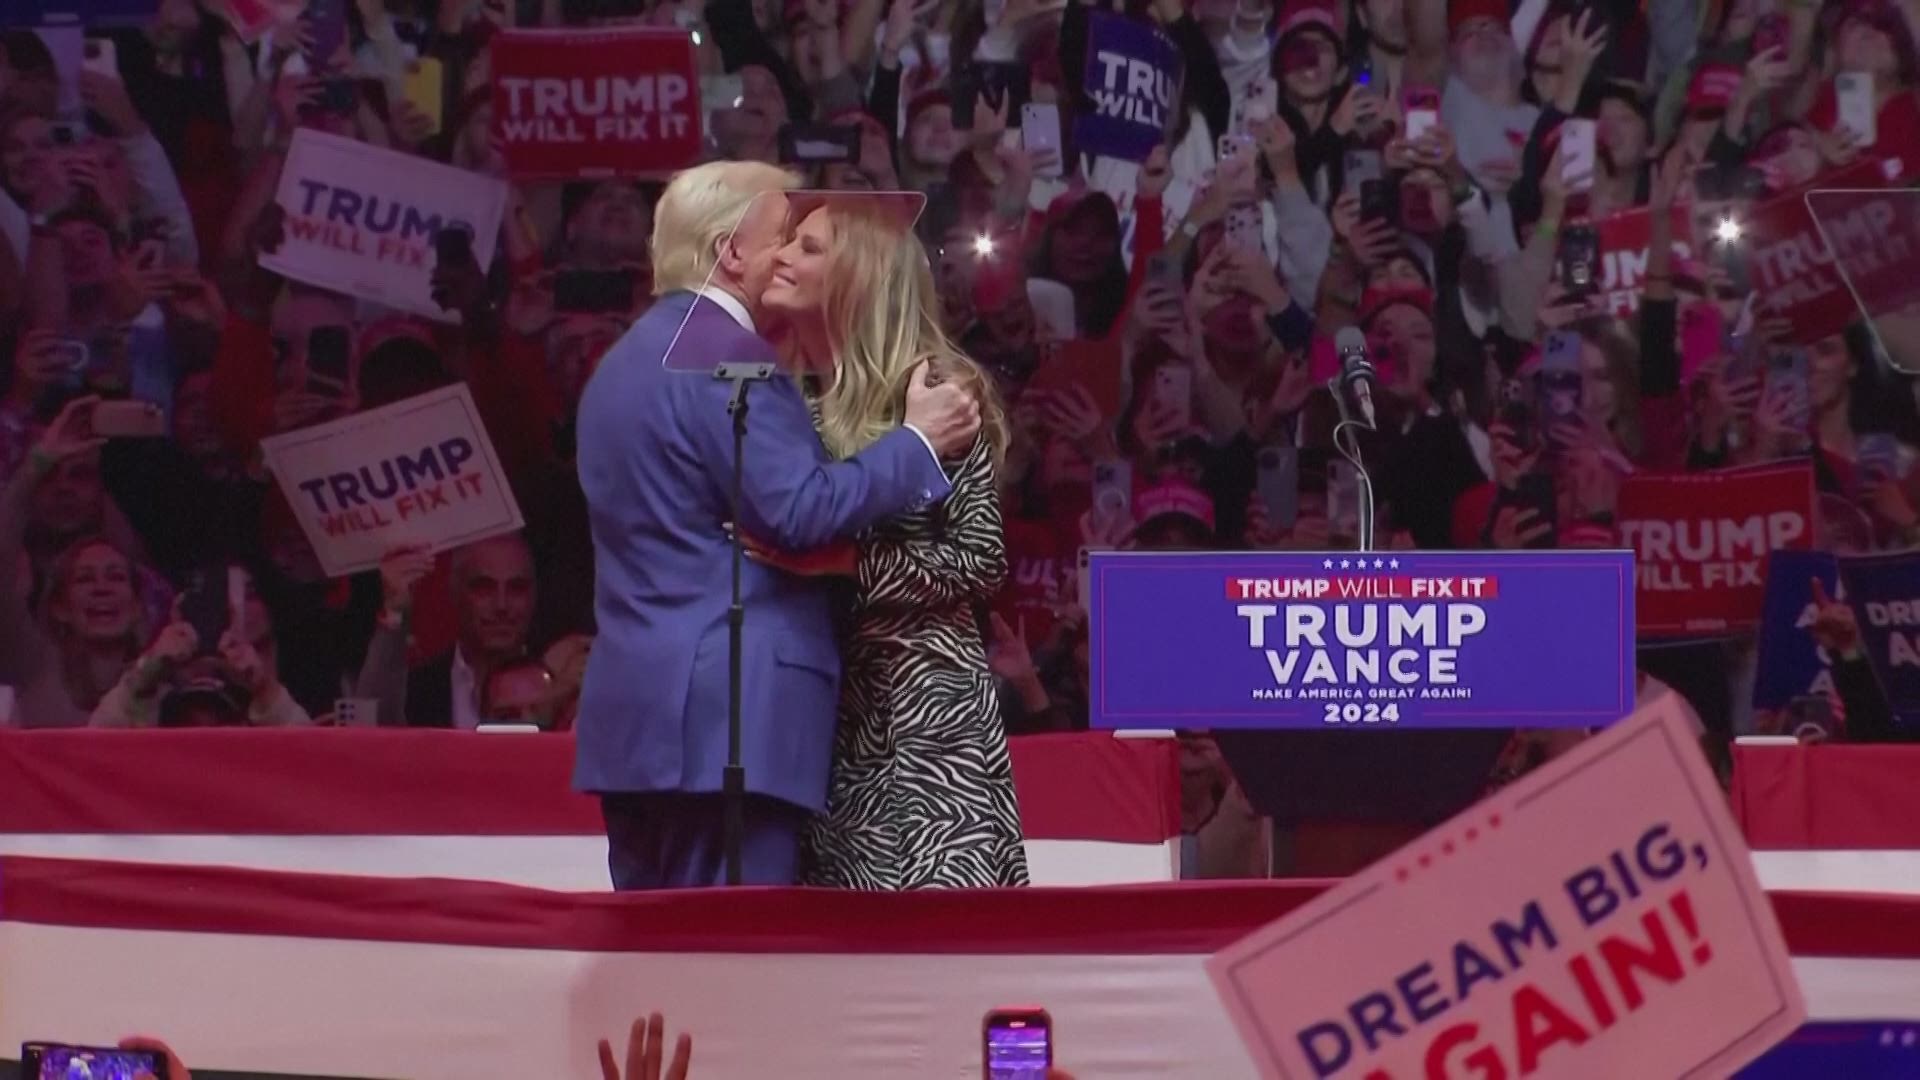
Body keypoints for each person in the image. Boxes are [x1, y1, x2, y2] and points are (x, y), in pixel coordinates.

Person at [571, 161, 983, 889]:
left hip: (636, 721)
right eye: (783, 234)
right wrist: (917, 442)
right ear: (731, 252)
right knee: (733, 953)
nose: (790, 252)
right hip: (728, 724)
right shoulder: (725, 354)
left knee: (656, 949)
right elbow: (797, 511)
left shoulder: (619, 363)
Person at [754, 196, 1029, 889]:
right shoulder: (788, 403)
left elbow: (980, 560)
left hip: (924, 726)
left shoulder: (935, 391)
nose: (778, 257)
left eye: (807, 248)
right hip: (822, 723)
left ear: (861, 276)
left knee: (934, 939)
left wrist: (852, 563)